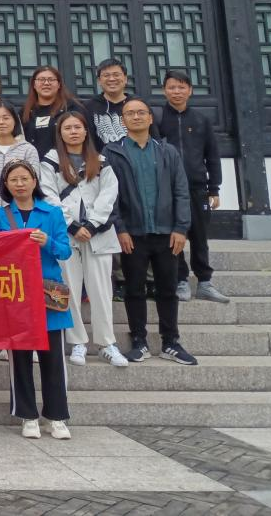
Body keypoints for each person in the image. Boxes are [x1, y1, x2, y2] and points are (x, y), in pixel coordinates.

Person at [102, 99, 197, 366]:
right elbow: (109, 195)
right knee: (134, 289)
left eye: (141, 112)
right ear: (122, 121)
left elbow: (181, 191)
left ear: (150, 118)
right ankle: (139, 341)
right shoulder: (112, 152)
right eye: (130, 113)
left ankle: (171, 342)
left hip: (166, 233)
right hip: (132, 234)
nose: (136, 117)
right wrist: (120, 229)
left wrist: (181, 228)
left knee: (167, 288)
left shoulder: (167, 152)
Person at [0, 158, 74, 440]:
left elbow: (65, 251)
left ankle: (57, 416)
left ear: (35, 181)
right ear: (6, 185)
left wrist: (46, 241)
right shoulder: (0, 215)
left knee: (53, 359)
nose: (20, 184)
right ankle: (27, 415)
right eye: (13, 180)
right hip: (15, 293)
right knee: (20, 358)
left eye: (24, 178)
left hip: (48, 293)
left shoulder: (52, 213)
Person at [40, 112, 128, 368]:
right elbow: (48, 195)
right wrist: (72, 225)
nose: (73, 132)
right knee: (69, 287)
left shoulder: (101, 160)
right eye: (67, 128)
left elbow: (109, 194)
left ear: (86, 130)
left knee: (101, 289)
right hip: (66, 234)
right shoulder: (50, 160)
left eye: (77, 127)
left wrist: (91, 225)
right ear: (60, 133)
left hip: (98, 233)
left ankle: (106, 343)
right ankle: (77, 341)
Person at [157, 70, 228, 304]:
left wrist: (214, 188)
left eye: (181, 87)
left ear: (190, 90)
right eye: (171, 87)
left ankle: (205, 281)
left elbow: (212, 155)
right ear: (164, 90)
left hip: (197, 187)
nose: (176, 92)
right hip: (168, 189)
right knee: (174, 235)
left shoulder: (201, 120)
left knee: (199, 235)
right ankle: (181, 280)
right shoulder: (157, 119)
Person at [21, 65, 83, 158]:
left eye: (51, 79)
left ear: (59, 84)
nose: (46, 83)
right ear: (34, 85)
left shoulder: (72, 108)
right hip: (33, 162)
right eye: (41, 79)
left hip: (65, 163)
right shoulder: (25, 111)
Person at [83, 58, 132, 149]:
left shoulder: (138, 104)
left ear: (125, 79)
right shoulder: (88, 107)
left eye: (116, 75)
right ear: (99, 81)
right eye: (106, 75)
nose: (112, 79)